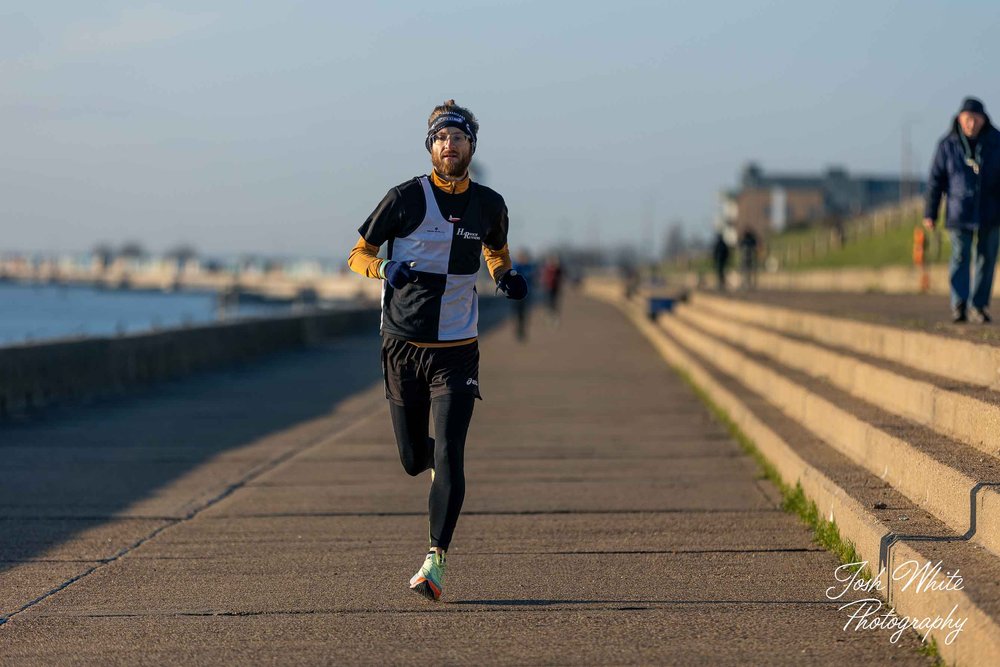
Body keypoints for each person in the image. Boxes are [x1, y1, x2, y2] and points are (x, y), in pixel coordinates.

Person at [347, 100, 527, 601]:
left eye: (459, 137)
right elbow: (357, 253)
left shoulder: (490, 204)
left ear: (472, 146)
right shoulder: (404, 198)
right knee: (412, 459)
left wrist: (505, 277)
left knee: (450, 453)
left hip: (457, 349)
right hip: (403, 345)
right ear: (431, 147)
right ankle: (436, 474)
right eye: (442, 138)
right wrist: (384, 270)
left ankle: (435, 562)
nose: (451, 145)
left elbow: (496, 249)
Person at [924, 97, 1000, 323]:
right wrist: (931, 212)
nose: (972, 123)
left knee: (986, 258)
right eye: (968, 119)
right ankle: (959, 304)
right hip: (959, 211)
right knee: (960, 256)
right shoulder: (947, 145)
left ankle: (978, 306)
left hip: (991, 211)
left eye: (976, 119)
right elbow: (936, 180)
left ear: (984, 119)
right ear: (959, 119)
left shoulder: (997, 142)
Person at [510, 249, 537, 342]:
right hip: (516, 295)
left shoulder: (529, 267)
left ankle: (522, 331)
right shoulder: (515, 266)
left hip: (526, 295)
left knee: (524, 314)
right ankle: (518, 330)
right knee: (517, 314)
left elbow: (532, 278)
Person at [540, 254, 564, 323]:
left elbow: (561, 277)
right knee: (548, 303)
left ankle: (554, 317)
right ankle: (548, 316)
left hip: (555, 288)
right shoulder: (547, 268)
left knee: (554, 303)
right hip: (547, 288)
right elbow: (543, 277)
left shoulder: (558, 269)